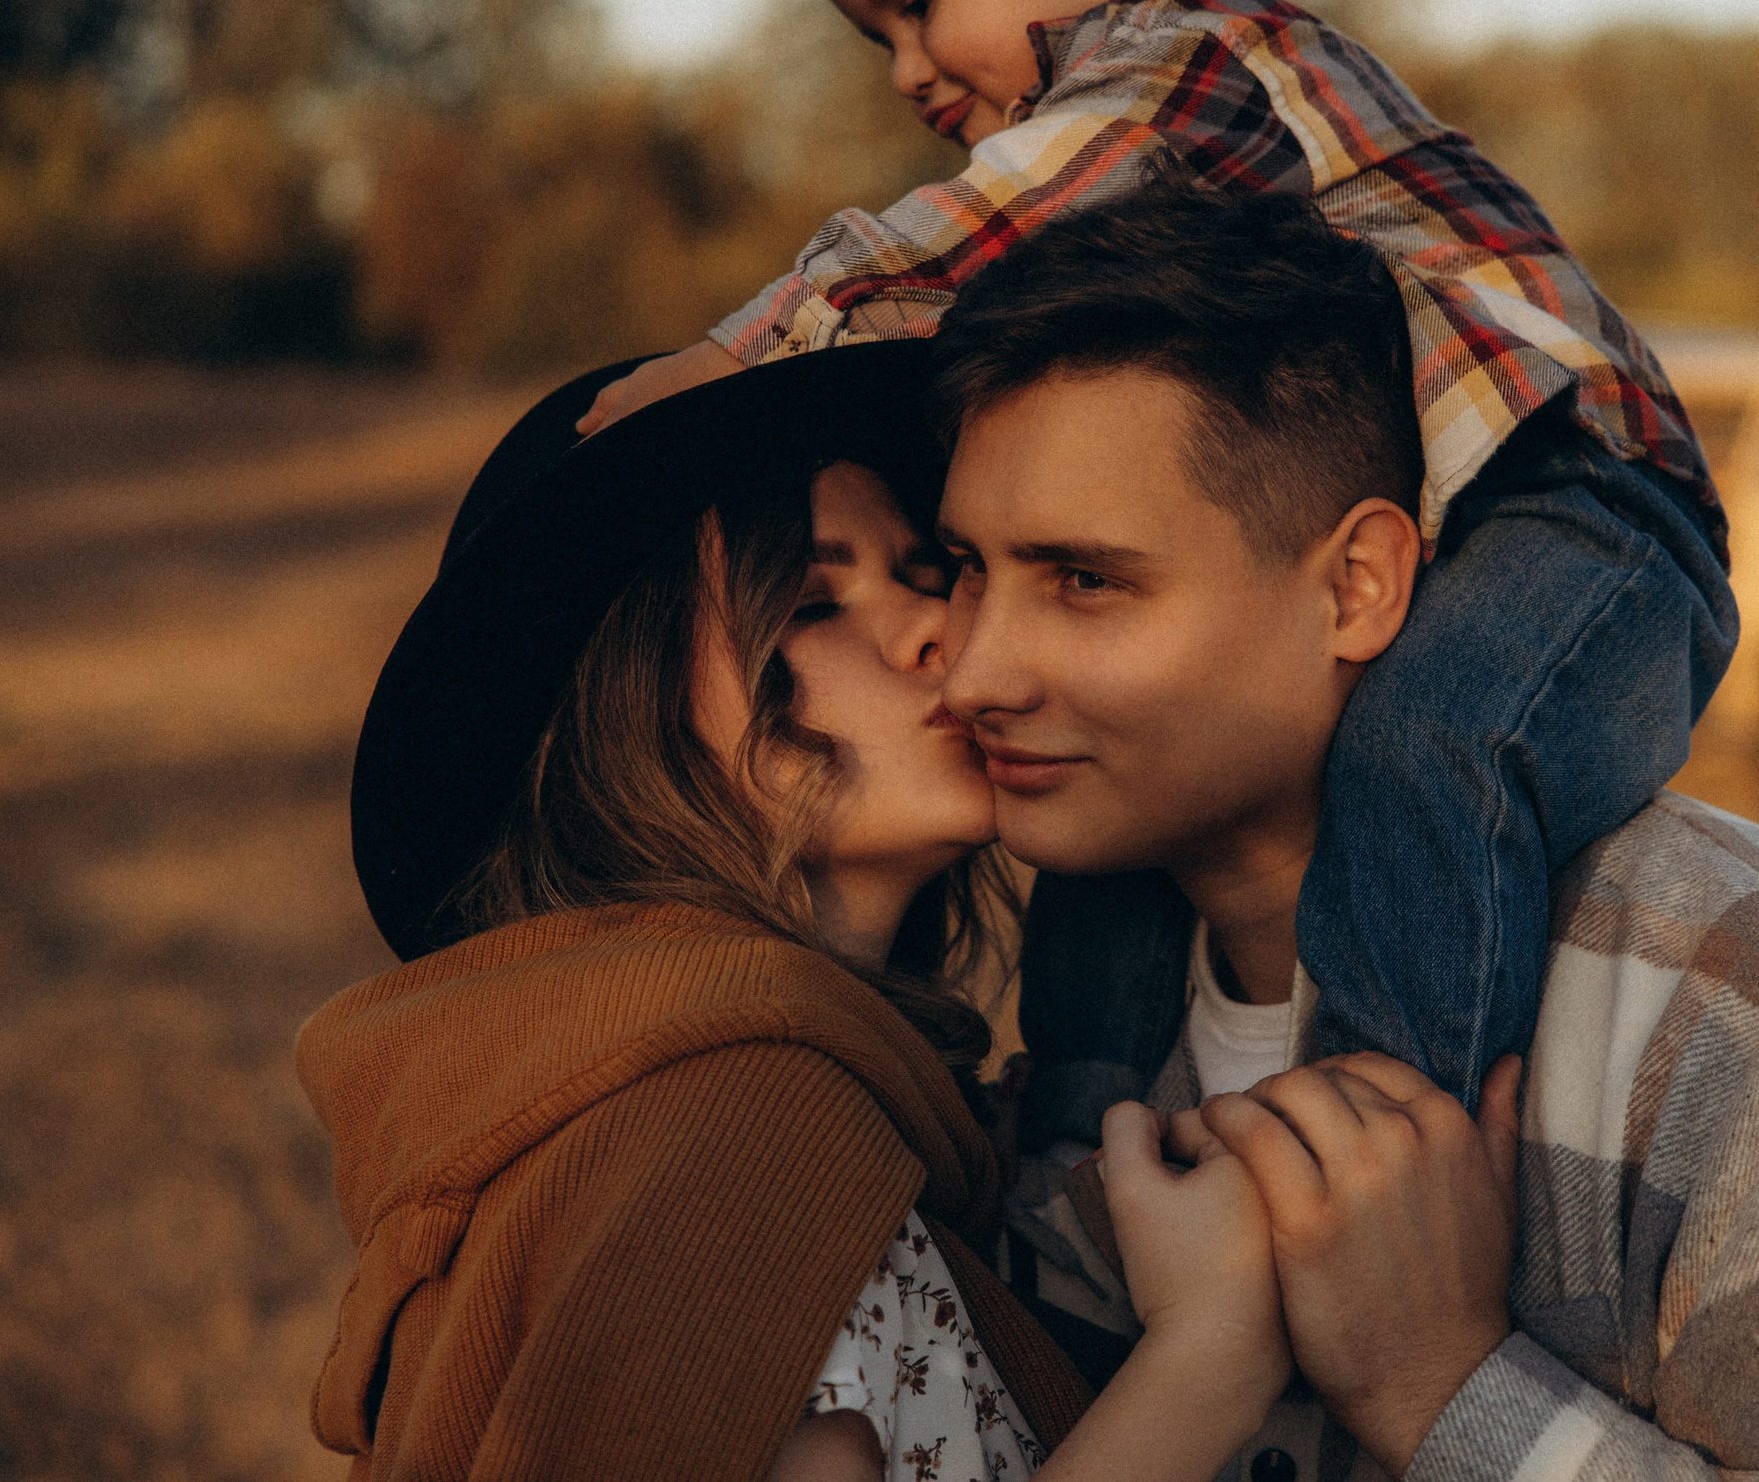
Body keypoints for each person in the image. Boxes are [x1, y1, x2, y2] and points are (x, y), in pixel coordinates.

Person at [575, 0, 1739, 1112]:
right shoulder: (1148, 98)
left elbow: (992, 217)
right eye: (873, 35)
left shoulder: (1202, 50)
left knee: (1435, 746)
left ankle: (1381, 1128)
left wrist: (746, 348)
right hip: (1447, 497)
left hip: (1584, 494)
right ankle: (1083, 1122)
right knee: (1107, 798)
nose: (906, 67)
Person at [931, 183, 1759, 1482]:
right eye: (964, 569)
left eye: (1087, 580)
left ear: (1356, 586)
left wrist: (1446, 1388)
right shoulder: (1065, 1035)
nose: (974, 670)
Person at [297, 345, 1292, 1481]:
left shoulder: (738, 1084)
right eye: (815, 603)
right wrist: (1213, 1355)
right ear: (628, 703)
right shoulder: (737, 1126)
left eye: (929, 573)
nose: (938, 633)